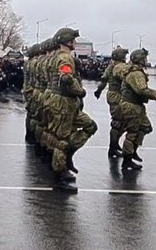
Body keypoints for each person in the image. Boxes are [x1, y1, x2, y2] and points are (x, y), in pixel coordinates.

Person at [45, 27, 97, 193]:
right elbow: (66, 77)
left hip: (64, 102)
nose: (75, 42)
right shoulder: (65, 58)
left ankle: (67, 155)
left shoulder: (56, 57)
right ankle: (59, 176)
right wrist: (79, 90)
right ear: (67, 41)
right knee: (62, 139)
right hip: (64, 103)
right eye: (73, 40)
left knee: (90, 125)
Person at [117, 48, 156, 172]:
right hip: (132, 106)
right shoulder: (136, 73)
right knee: (132, 133)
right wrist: (155, 95)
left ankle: (132, 151)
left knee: (145, 127)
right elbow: (141, 90)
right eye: (144, 58)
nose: (146, 60)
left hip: (136, 105)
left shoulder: (136, 71)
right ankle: (127, 160)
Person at [95, 47, 130, 160]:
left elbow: (104, 80)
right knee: (117, 123)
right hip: (117, 95)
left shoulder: (110, 67)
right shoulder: (119, 67)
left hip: (113, 95)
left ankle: (115, 145)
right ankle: (113, 148)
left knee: (121, 122)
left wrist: (99, 91)